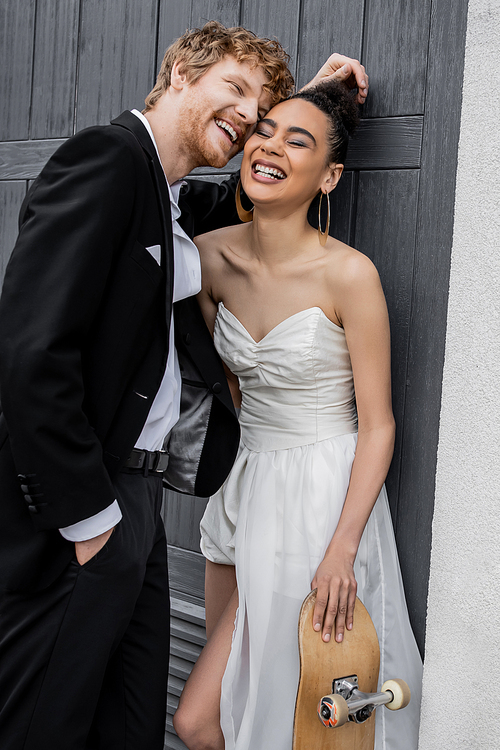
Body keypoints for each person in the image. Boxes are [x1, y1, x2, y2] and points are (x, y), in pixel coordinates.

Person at [0, 19, 368, 750]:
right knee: (44, 723)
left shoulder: (171, 198)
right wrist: (89, 522)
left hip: (138, 500)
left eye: (259, 108)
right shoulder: (105, 162)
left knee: (129, 721)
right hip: (84, 511)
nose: (245, 115)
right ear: (178, 76)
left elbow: (258, 190)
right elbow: (31, 354)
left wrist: (327, 100)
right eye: (233, 88)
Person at [173, 79, 423, 750]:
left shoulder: (349, 276)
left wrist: (342, 548)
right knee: (221, 716)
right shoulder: (209, 259)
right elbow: (228, 388)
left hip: (319, 499)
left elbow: (380, 425)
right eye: (264, 131)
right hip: (241, 483)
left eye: (298, 141)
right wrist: (317, 84)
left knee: (282, 713)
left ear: (331, 175)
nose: (271, 147)